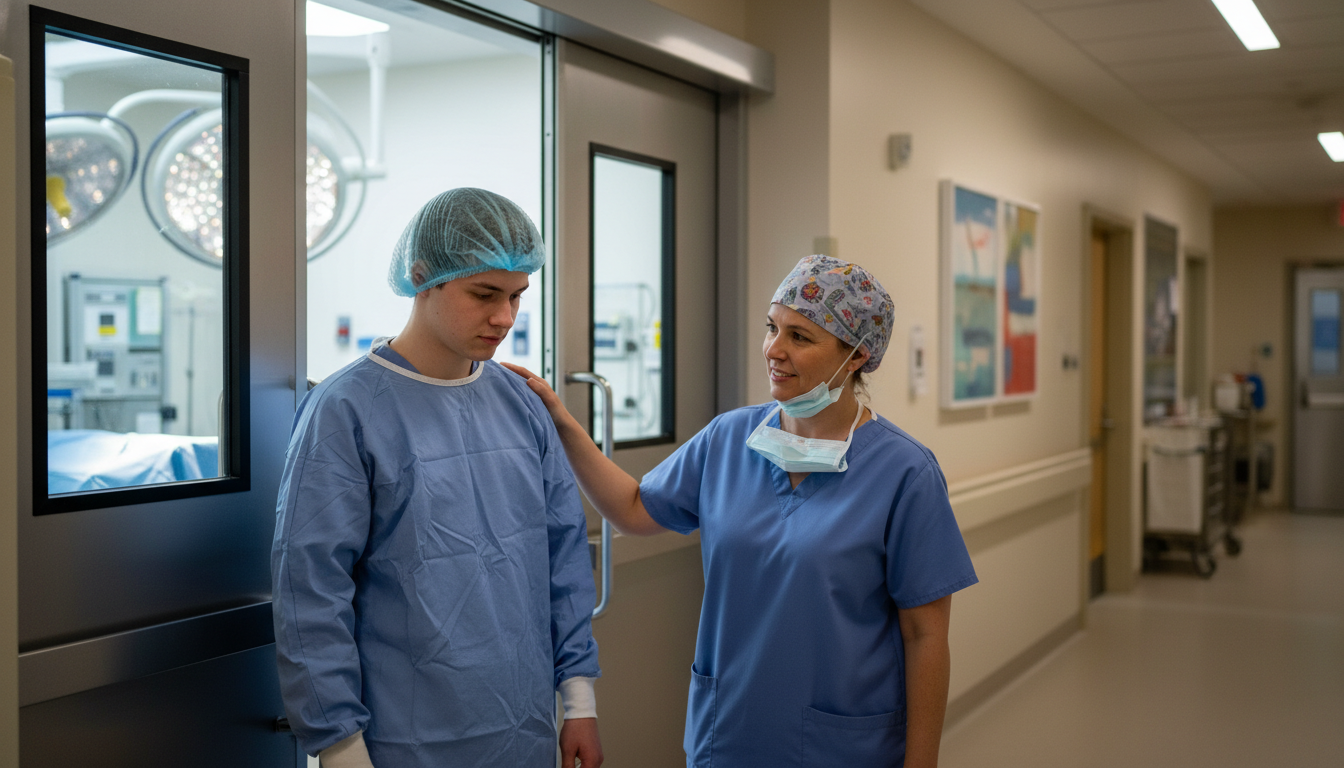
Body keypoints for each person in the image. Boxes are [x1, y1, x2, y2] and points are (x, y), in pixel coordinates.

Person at [504, 254, 977, 768]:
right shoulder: (729, 438)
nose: (774, 349)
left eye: (800, 336)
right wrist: (561, 421)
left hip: (842, 746)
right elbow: (635, 509)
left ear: (857, 355)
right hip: (728, 734)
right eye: (772, 328)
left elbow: (925, 636)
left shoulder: (904, 473)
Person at [272, 188, 603, 768]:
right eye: (484, 294)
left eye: (516, 296)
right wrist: (340, 745)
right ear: (423, 277)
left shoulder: (521, 403)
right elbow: (311, 589)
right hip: (404, 735)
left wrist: (579, 701)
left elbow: (563, 553)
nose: (505, 317)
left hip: (522, 725)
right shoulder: (346, 410)